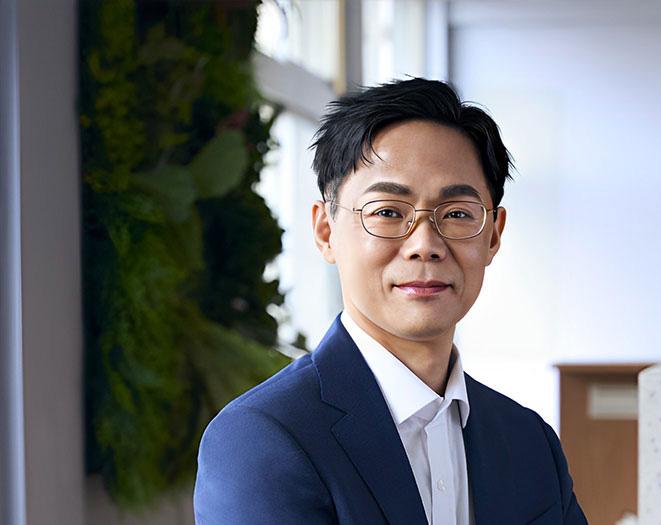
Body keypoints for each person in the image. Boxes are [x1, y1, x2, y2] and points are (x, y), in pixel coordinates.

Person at [194, 78, 588, 525]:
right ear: (325, 231)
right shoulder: (262, 439)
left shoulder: (531, 443)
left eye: (457, 214)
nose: (425, 245)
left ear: (493, 235)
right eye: (387, 212)